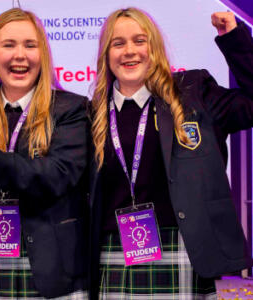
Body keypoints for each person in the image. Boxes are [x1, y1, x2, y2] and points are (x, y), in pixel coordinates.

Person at [89, 8, 253, 300]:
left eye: (139, 41)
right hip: (113, 255)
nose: (129, 51)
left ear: (154, 47)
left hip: (184, 250)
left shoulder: (194, 93)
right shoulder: (91, 115)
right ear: (106, 54)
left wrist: (235, 40)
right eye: (118, 43)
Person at [0, 8, 89, 299]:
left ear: (43, 54)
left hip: (52, 269)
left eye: (30, 45)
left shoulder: (71, 108)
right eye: (9, 45)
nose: (20, 55)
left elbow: (56, 177)